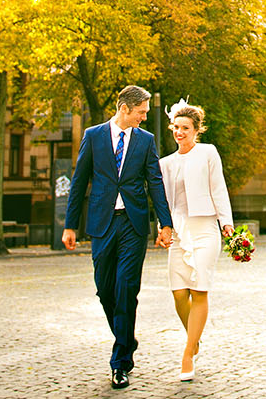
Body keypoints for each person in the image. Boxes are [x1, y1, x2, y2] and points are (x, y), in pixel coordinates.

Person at [62, 85, 174, 390]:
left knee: (126, 289)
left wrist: (165, 223)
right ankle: (127, 339)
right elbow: (79, 180)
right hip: (102, 223)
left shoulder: (146, 140)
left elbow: (155, 181)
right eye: (141, 111)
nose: (144, 117)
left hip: (133, 225)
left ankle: (120, 362)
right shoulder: (94, 135)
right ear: (125, 108)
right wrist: (70, 225)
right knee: (105, 289)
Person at [159, 100, 235, 382]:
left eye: (185, 128)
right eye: (176, 128)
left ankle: (188, 353)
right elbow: (164, 201)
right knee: (179, 293)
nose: (179, 132)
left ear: (196, 130)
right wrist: (163, 228)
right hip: (179, 231)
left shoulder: (208, 153)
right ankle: (196, 338)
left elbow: (219, 188)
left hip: (205, 229)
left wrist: (226, 222)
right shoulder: (164, 163)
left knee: (199, 289)